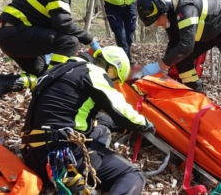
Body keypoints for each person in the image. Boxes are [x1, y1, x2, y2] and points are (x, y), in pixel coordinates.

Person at [20, 46, 154, 194]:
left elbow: (94, 117)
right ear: (111, 70)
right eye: (114, 81)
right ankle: (78, 172)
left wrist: (121, 127)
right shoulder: (94, 73)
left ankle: (82, 177)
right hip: (59, 154)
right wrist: (146, 124)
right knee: (133, 175)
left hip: (31, 154)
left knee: (102, 131)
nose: (113, 84)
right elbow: (122, 112)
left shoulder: (62, 69)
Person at [0, 0, 101, 103]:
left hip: (9, 35)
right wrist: (90, 39)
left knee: (42, 74)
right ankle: (53, 89)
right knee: (70, 42)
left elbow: (52, 24)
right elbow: (63, 24)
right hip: (14, 34)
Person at [136, 0, 221, 100]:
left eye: (156, 20)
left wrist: (158, 66)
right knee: (182, 61)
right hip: (208, 32)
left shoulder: (186, 9)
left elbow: (186, 46)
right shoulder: (171, 16)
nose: (157, 24)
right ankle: (197, 96)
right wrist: (162, 66)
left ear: (164, 9)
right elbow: (174, 44)